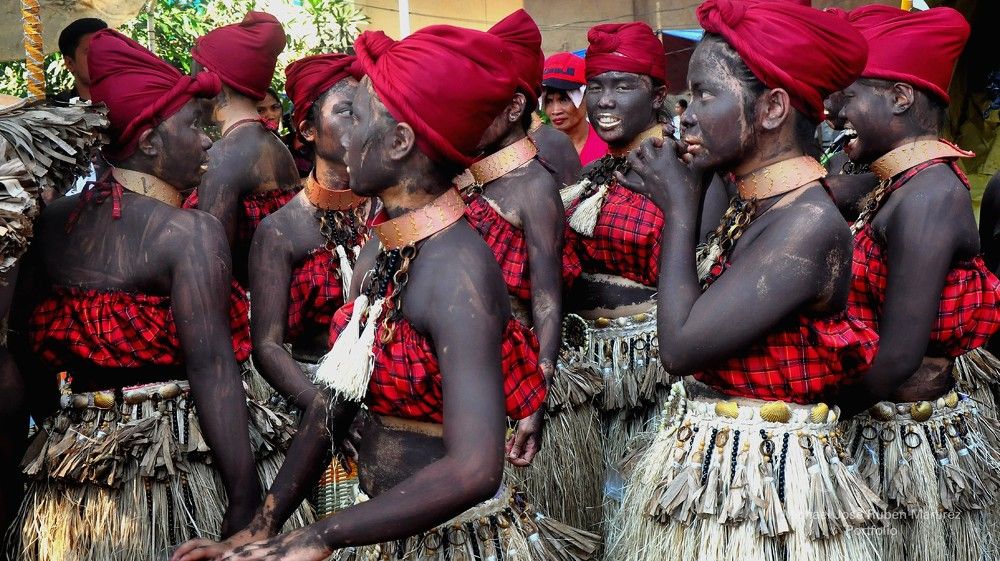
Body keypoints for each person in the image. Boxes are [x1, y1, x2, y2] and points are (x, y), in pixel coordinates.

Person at [171, 24, 598, 561]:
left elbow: (474, 468)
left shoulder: (457, 269)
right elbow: (337, 397)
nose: (345, 139)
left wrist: (319, 536)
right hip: (383, 531)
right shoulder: (384, 244)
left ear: (399, 143)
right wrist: (262, 527)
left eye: (358, 117)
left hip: (456, 544)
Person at [11, 29, 310, 561]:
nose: (208, 141)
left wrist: (63, 431)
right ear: (149, 142)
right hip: (178, 467)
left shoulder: (50, 223)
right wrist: (245, 501)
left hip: (74, 474)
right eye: (194, 126)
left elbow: (26, 352)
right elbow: (213, 369)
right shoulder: (188, 234)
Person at [608, 2, 884, 560]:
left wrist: (679, 208)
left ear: (772, 108)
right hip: (726, 485)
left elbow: (679, 347)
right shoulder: (757, 204)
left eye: (705, 94)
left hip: (767, 504)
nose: (685, 115)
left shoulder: (805, 225)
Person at [833, 7, 1000, 561]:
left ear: (901, 97)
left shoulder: (929, 193)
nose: (834, 109)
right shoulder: (895, 183)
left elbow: (901, 356)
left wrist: (816, 412)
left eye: (848, 95)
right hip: (881, 428)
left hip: (905, 440)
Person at [456, 9, 599, 533]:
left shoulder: (534, 184)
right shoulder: (463, 175)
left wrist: (533, 400)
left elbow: (547, 299)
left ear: (515, 106)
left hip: (515, 375)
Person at [557, 21, 683, 522]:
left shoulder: (684, 171)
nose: (604, 101)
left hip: (654, 383)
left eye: (623, 85)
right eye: (597, 86)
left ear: (658, 96)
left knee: (636, 511)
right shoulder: (596, 173)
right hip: (589, 376)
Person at [249, 52, 369, 517]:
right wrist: (326, 412)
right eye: (346, 110)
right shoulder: (280, 230)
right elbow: (267, 346)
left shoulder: (389, 212)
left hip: (393, 401)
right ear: (307, 130)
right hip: (316, 404)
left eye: (366, 109)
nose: (360, 121)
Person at [184, 11, 300, 284]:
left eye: (196, 75)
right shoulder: (275, 144)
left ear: (215, 81)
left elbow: (212, 264)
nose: (193, 86)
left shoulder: (222, 157)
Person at [542, 52, 607, 166]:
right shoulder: (539, 151)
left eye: (564, 99)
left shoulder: (608, 146)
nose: (555, 111)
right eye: (549, 101)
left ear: (586, 97)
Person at [51, 17, 107, 103]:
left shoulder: (127, 103)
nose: (103, 57)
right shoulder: (57, 109)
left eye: (107, 50)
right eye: (91, 52)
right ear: (70, 63)